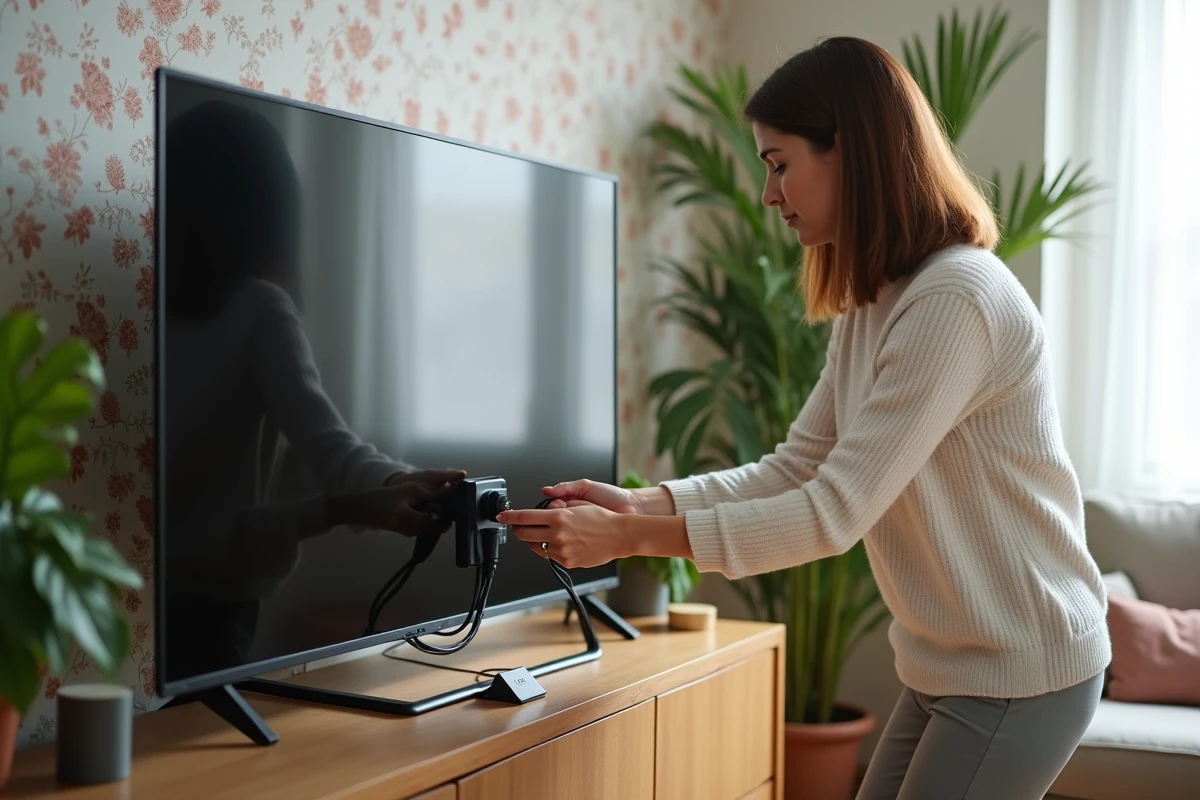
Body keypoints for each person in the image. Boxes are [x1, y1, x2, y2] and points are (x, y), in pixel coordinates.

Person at [497, 37, 1110, 800]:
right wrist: (639, 505)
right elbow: (797, 467)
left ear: (849, 150)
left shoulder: (956, 300)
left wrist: (629, 539)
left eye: (779, 163)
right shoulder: (877, 302)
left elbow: (831, 513)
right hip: (951, 664)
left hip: (1022, 667)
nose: (768, 193)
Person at [162, 99, 464, 676]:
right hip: (213, 614)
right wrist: (360, 501)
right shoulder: (260, 310)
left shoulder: (139, 306)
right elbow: (330, 452)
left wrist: (395, 483)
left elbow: (328, 454)